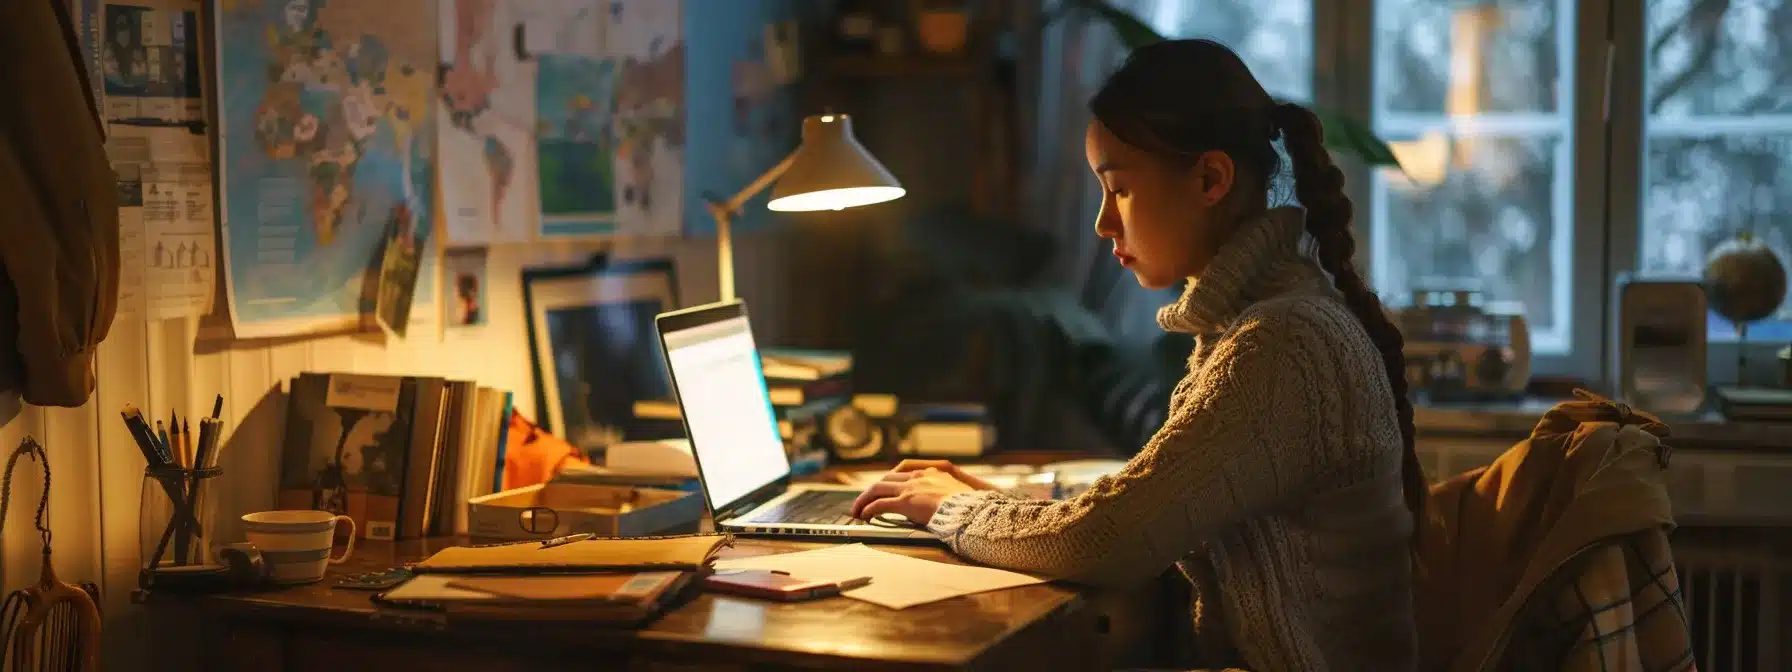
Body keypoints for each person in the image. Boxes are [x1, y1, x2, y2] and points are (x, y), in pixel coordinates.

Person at [851, 39, 1423, 671]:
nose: (1102, 223)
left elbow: (1106, 540)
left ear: (1210, 179)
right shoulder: (1263, 325)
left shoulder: (1282, 342)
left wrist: (956, 510)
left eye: (1118, 189)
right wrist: (1000, 508)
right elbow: (1152, 515)